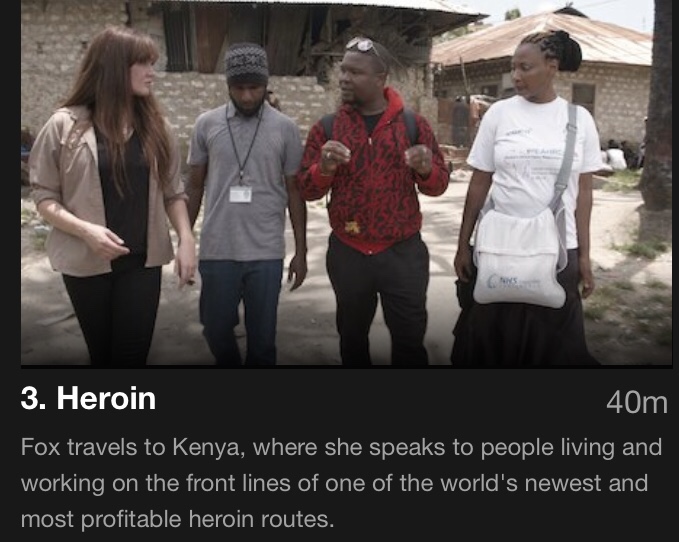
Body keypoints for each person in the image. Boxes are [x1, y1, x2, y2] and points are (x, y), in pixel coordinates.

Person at [28, 26, 196, 367]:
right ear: (115, 67)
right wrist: (86, 231)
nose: (152, 73)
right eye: (143, 63)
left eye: (152, 64)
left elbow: (173, 192)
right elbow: (44, 196)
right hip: (85, 263)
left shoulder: (157, 128)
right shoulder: (63, 125)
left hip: (141, 264)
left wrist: (187, 239)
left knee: (131, 357)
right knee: (102, 355)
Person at [450, 30, 604, 367]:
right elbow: (479, 183)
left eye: (525, 67)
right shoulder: (499, 114)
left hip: (558, 252)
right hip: (498, 247)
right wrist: (463, 245)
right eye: (513, 67)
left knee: (552, 348)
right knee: (490, 342)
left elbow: (584, 194)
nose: (516, 76)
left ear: (552, 66)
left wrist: (584, 256)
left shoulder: (579, 120)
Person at [296, 37, 449, 366]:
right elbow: (307, 190)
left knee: (409, 344)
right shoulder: (327, 128)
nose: (344, 78)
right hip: (348, 253)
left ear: (381, 79)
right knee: (352, 342)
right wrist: (324, 168)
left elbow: (439, 186)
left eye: (355, 72)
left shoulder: (413, 125)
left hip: (403, 254)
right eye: (343, 70)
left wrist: (425, 169)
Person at [186, 42, 307, 366]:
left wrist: (301, 251)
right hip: (217, 249)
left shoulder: (285, 128)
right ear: (228, 85)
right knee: (215, 329)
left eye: (255, 88)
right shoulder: (206, 124)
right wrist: (185, 241)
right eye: (239, 88)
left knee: (263, 342)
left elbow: (295, 192)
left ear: (266, 84)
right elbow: (194, 185)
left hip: (266, 252)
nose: (248, 96)